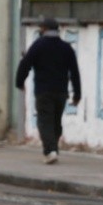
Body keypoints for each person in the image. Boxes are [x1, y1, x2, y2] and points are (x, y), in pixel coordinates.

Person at [16, 17, 82, 164]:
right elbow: (75, 72)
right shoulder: (66, 48)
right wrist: (77, 94)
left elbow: (25, 64)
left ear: (44, 29)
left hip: (43, 91)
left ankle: (50, 150)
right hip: (61, 92)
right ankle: (53, 148)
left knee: (44, 121)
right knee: (56, 121)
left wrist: (20, 82)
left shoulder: (38, 46)